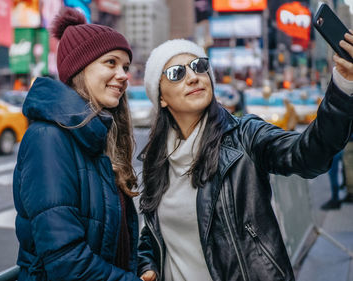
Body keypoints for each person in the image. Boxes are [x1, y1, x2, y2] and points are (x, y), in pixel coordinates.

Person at [137, 37, 353, 281]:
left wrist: (343, 85)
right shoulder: (156, 159)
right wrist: (148, 264)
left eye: (198, 66)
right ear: (161, 98)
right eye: (176, 73)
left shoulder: (245, 135)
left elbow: (308, 154)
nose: (193, 76)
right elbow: (152, 231)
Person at [12, 8, 142, 281]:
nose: (123, 75)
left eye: (125, 67)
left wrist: (143, 266)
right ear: (80, 68)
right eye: (111, 63)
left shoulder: (97, 134)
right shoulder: (48, 139)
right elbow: (66, 262)